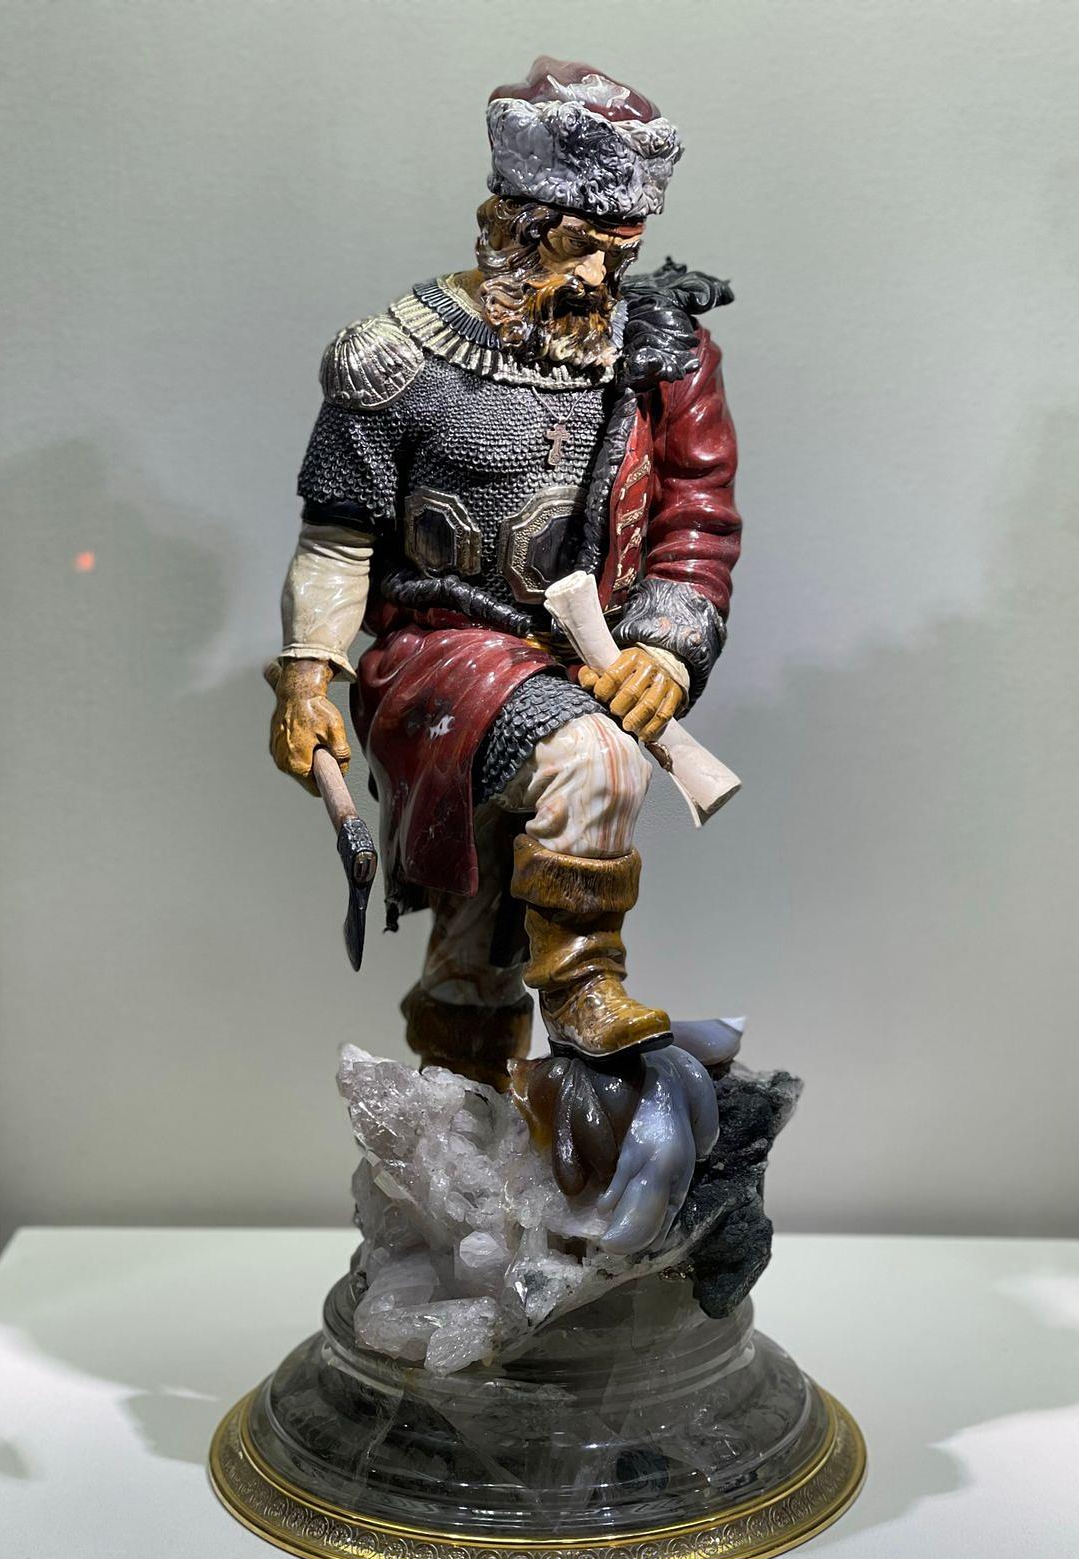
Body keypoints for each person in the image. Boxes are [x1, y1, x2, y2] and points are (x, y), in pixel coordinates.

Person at [269, 57, 740, 1087]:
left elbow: (696, 518)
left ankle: (464, 1098)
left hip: (585, 658)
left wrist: (663, 650)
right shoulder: (395, 359)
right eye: (580, 244)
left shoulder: (662, 355)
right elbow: (339, 540)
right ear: (513, 223)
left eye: (624, 248)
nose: (603, 276)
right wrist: (307, 677)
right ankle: (582, 982)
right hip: (437, 655)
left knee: (480, 918)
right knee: (597, 761)